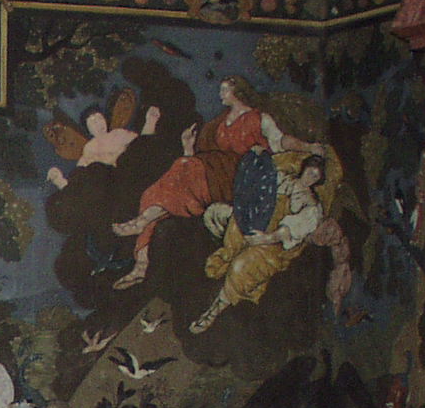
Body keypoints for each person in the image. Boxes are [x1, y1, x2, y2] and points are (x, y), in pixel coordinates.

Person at [110, 76, 323, 290]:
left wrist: (308, 147)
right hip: (207, 172)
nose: (221, 94)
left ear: (237, 92)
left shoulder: (259, 118)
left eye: (224, 90)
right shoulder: (220, 122)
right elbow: (203, 155)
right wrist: (188, 146)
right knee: (157, 195)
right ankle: (142, 263)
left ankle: (142, 222)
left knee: (183, 169)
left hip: (235, 177)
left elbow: (281, 141)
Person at [190, 153, 330, 334]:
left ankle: (213, 311)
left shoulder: (311, 206)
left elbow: (288, 231)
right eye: (310, 171)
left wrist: (265, 238)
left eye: (316, 176)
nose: (311, 177)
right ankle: (222, 263)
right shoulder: (283, 179)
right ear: (304, 168)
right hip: (255, 224)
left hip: (272, 244)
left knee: (241, 267)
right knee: (221, 218)